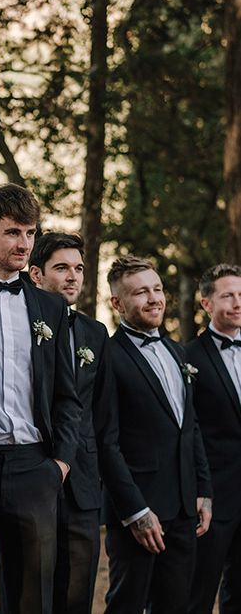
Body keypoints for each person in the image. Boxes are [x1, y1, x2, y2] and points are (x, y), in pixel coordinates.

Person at [0, 184, 81, 614]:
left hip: (35, 468)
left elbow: (67, 394)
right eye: (12, 232)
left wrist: (59, 465)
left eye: (30, 233)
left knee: (34, 600)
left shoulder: (51, 308)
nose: (24, 244)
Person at [102, 255, 212, 613]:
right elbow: (107, 442)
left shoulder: (176, 351)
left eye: (158, 289)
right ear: (117, 303)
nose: (154, 299)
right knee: (127, 604)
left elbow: (190, 426)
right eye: (141, 293)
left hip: (183, 510)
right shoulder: (109, 357)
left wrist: (203, 491)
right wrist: (135, 512)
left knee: (175, 605)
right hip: (138, 512)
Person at [28, 232, 113, 614]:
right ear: (36, 274)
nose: (72, 276)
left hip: (83, 482)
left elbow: (102, 412)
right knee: (33, 593)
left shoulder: (96, 332)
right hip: (30, 473)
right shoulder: (20, 325)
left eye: (78, 268)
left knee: (78, 594)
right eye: (61, 268)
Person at [187, 264, 241, 614]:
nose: (237, 302)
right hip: (214, 498)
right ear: (206, 304)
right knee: (198, 594)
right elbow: (188, 431)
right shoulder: (189, 356)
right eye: (227, 296)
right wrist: (198, 491)